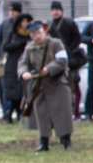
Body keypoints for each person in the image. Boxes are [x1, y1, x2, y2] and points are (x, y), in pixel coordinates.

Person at [19, 21, 75, 151]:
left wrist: (48, 70)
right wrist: (24, 73)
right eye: (34, 34)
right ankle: (44, 142)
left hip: (58, 83)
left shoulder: (56, 44)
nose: (37, 36)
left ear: (44, 32)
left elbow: (62, 61)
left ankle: (66, 141)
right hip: (40, 85)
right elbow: (23, 63)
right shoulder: (29, 48)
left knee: (63, 114)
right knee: (42, 114)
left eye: (39, 33)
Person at [46, 2, 85, 116]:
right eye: (53, 9)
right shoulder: (51, 25)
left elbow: (77, 39)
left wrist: (70, 53)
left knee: (74, 86)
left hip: (71, 61)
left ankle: (75, 112)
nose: (55, 12)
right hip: (57, 61)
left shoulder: (69, 23)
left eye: (57, 9)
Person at [1, 12, 32, 123]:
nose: (24, 24)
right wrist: (20, 44)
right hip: (12, 65)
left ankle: (20, 113)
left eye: (26, 21)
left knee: (22, 91)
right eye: (22, 21)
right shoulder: (13, 34)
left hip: (26, 65)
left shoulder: (32, 34)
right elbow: (5, 46)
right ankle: (10, 112)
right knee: (13, 92)